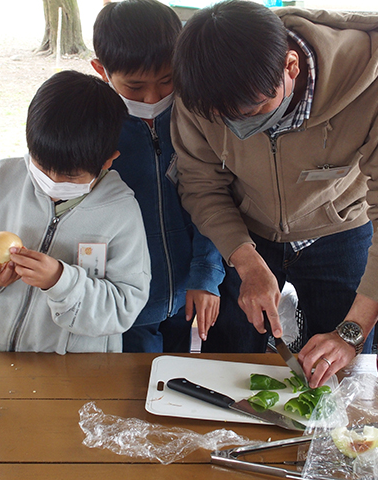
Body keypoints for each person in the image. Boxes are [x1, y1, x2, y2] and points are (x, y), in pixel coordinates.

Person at [171, 1, 378, 385]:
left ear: (290, 66)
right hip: (247, 230)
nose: (240, 129)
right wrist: (245, 260)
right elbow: (200, 184)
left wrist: (352, 331)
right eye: (222, 120)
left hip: (340, 228)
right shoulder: (199, 90)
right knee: (230, 361)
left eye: (255, 110)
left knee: (342, 371)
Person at [0, 70, 151, 353]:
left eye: (70, 178)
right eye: (40, 167)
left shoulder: (120, 211)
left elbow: (124, 305)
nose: (52, 182)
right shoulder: (0, 180)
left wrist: (61, 282)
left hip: (76, 366)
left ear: (108, 161)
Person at [91, 0, 225, 353]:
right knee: (133, 389)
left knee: (176, 380)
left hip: (188, 293)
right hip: (123, 303)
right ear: (101, 71)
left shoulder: (198, 119)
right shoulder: (93, 131)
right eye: (134, 87)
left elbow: (216, 201)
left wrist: (206, 273)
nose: (152, 97)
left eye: (167, 81)